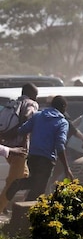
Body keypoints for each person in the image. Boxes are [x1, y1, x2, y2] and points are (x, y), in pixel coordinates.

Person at [7, 96, 74, 201]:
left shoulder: (38, 116)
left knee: (35, 185)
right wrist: (66, 168)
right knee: (38, 189)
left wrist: (6, 135)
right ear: (64, 107)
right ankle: (23, 200)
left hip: (32, 156)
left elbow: (22, 129)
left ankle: (21, 190)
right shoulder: (62, 122)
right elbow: (60, 145)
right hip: (46, 159)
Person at [0, 83, 39, 213]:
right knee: (12, 182)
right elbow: (28, 118)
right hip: (19, 148)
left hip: (7, 147)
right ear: (33, 94)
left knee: (24, 175)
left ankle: (15, 206)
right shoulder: (31, 104)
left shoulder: (14, 103)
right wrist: (21, 136)